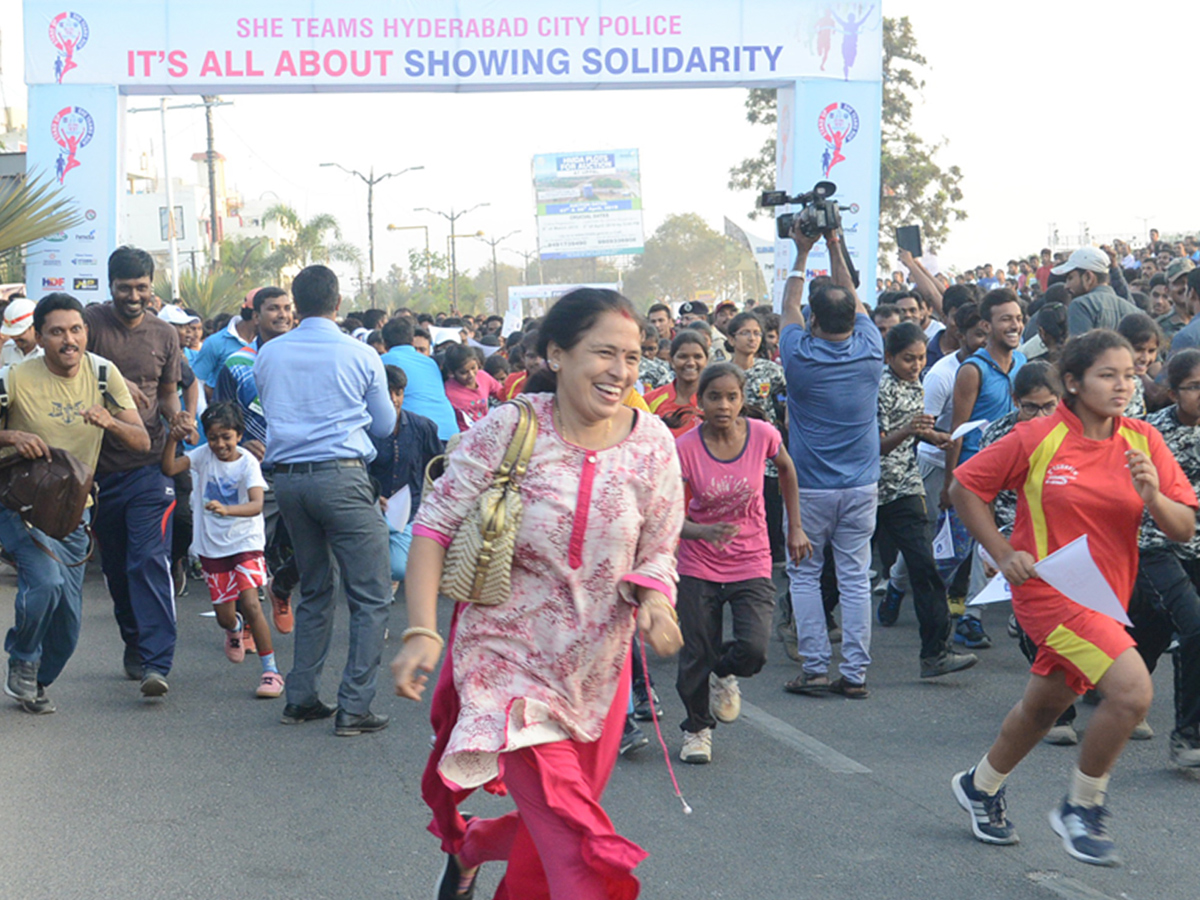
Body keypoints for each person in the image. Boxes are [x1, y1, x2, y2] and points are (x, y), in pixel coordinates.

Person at [391, 287, 684, 899]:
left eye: (633, 358)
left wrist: (656, 600)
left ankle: (471, 846)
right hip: (505, 664)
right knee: (576, 850)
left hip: (597, 672)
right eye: (605, 353)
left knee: (554, 821)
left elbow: (659, 547)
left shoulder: (654, 442)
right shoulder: (511, 428)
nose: (622, 372)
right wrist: (423, 628)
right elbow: (434, 525)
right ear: (557, 353)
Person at [949, 329, 1197, 866]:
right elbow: (965, 487)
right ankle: (1082, 807)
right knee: (1132, 693)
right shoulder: (1038, 436)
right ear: (1072, 381)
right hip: (1047, 593)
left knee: (1043, 710)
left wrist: (1153, 493)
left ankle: (980, 785)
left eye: (1130, 374)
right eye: (1108, 375)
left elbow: (1182, 528)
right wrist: (999, 549)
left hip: (1107, 599)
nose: (1123, 385)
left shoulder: (1143, 440)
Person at [255, 265, 396, 736]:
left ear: (296, 305)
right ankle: (354, 706)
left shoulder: (269, 354)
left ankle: (302, 697)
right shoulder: (359, 353)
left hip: (290, 483)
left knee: (315, 588)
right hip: (342, 478)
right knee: (371, 594)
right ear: (337, 303)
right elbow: (384, 426)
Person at [1, 294, 147, 713]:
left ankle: (36, 680)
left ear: (86, 331)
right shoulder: (13, 377)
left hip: (73, 511)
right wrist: (12, 437)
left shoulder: (103, 373)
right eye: (57, 331)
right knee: (44, 580)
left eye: (76, 329)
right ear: (39, 337)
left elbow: (141, 440)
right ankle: (23, 658)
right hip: (21, 505)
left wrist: (111, 422)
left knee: (67, 629)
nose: (69, 340)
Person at [675, 362, 809, 764]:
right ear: (700, 401)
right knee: (697, 649)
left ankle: (725, 671)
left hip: (751, 557)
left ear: (743, 399)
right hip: (698, 562)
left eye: (732, 397)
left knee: (753, 648)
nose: (724, 405)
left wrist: (795, 527)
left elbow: (787, 469)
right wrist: (701, 533)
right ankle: (697, 730)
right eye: (714, 396)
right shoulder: (684, 449)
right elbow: (665, 512)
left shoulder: (763, 435)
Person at [779, 222, 882, 700]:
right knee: (855, 577)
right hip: (862, 485)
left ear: (814, 322)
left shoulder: (799, 354)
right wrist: (834, 242)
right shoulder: (871, 348)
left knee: (804, 574)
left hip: (810, 489)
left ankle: (816, 667)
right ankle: (855, 675)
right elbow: (853, 298)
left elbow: (788, 308)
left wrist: (802, 254)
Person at [85, 246, 189, 697]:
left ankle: (155, 661)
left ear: (153, 288)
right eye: (124, 288)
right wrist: (110, 376)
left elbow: (167, 394)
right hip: (97, 469)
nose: (133, 296)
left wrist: (178, 418)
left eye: (142, 288)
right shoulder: (90, 324)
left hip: (149, 468)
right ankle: (134, 639)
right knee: (118, 569)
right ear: (111, 287)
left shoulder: (166, 335)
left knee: (148, 560)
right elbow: (68, 366)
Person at [873, 321, 977, 677]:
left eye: (920, 359)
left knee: (925, 568)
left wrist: (937, 437)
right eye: (907, 359)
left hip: (905, 486)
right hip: (869, 489)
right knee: (837, 570)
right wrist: (912, 430)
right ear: (889, 357)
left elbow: (912, 435)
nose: (916, 366)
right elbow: (876, 444)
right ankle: (800, 616)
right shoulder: (879, 388)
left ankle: (935, 653)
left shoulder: (917, 384)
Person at [161, 403, 282, 698]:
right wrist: (173, 438)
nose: (220, 444)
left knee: (252, 604)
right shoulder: (202, 456)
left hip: (246, 543)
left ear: (239, 435)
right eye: (213, 437)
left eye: (226, 436)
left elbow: (256, 505)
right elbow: (169, 468)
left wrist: (227, 510)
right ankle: (234, 628)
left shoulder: (248, 464)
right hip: (212, 547)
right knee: (224, 616)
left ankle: (271, 672)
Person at [944, 289, 1027, 649]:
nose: (1015, 325)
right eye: (1006, 319)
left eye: (1019, 318)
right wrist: (951, 482)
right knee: (949, 550)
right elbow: (957, 432)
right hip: (975, 472)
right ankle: (900, 584)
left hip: (1015, 472)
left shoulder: (1024, 363)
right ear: (986, 324)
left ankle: (971, 619)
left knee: (990, 541)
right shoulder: (972, 370)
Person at [215, 286, 296, 632]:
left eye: (286, 308)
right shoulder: (237, 364)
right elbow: (221, 416)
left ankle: (281, 587)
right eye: (272, 308)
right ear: (255, 316)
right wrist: (242, 444)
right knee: (250, 551)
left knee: (311, 551)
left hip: (302, 467)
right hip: (257, 475)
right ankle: (249, 625)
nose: (281, 314)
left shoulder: (304, 355)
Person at [1133, 349, 1200, 767]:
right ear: (1173, 392)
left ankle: (1122, 687)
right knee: (1193, 625)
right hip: (1156, 544)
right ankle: (1188, 736)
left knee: (1157, 628)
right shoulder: (1148, 433)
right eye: (1194, 387)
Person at [368, 365, 443, 587]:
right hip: (370, 509)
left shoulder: (422, 427)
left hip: (408, 511)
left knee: (398, 569)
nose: (393, 399)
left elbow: (437, 467)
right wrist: (372, 495)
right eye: (386, 392)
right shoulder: (364, 427)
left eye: (398, 392)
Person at [380, 316, 458, 440]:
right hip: (449, 432)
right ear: (412, 341)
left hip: (416, 435)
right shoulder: (430, 363)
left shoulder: (382, 362)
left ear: (384, 343)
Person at [1058, 247, 1140, 337]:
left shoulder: (1080, 305)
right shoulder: (1133, 310)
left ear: (1088, 277)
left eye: (1070, 278)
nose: (1066, 286)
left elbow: (1080, 349)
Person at [645, 331, 707, 437]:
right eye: (683, 357)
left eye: (697, 357)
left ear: (706, 360)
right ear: (671, 361)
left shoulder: (714, 401)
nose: (691, 363)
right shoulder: (650, 400)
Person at [442, 344, 503, 432]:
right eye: (463, 372)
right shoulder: (448, 392)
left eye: (473, 368)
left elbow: (502, 393)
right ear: (452, 373)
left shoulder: (483, 377)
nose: (471, 374)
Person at [0, 298, 44, 366]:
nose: (14, 337)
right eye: (12, 334)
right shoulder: (7, 349)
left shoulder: (47, 352)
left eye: (19, 333)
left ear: (34, 326)